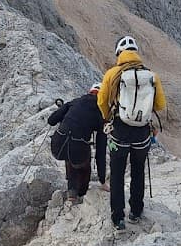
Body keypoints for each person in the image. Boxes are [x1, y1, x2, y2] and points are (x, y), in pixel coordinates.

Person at [97, 36, 166, 231]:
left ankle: (118, 218)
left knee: (117, 174)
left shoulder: (113, 73)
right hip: (142, 133)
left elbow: (102, 101)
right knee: (138, 171)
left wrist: (106, 117)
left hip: (120, 130)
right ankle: (136, 211)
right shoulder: (152, 75)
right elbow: (160, 104)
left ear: (119, 54)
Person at [47, 86, 109, 204]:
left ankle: (72, 191)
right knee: (80, 158)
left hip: (57, 145)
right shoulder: (101, 113)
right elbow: (100, 151)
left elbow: (51, 120)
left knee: (70, 155)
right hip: (78, 151)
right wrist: (102, 180)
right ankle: (80, 193)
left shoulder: (75, 102)